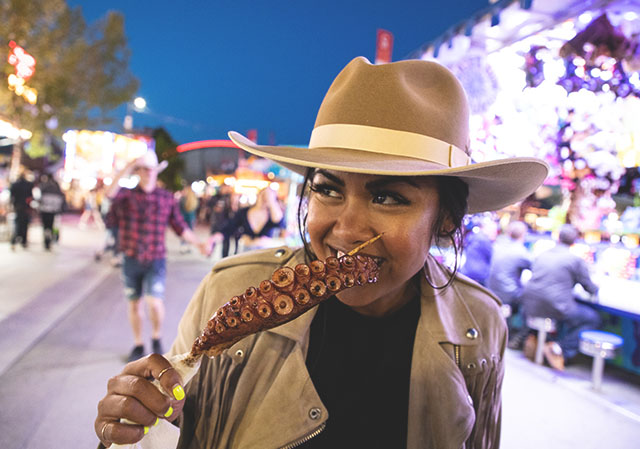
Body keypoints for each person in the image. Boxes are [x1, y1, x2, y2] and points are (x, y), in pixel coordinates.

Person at [95, 57, 548, 448]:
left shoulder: (479, 327)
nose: (345, 230)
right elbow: (177, 424)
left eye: (388, 197)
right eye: (327, 189)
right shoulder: (229, 288)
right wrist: (141, 420)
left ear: (446, 218)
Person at [105, 151, 208, 363]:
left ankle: (156, 337)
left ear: (155, 171)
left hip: (156, 259)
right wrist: (128, 167)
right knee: (134, 304)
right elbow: (109, 194)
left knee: (154, 302)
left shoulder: (166, 197)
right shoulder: (126, 195)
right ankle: (138, 343)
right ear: (138, 171)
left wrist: (198, 243)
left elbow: (180, 226)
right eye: (142, 169)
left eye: (150, 169)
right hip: (131, 257)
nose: (147, 173)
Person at [520, 224, 600, 370]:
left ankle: (538, 340)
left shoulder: (542, 254)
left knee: (559, 310)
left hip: (529, 306)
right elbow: (589, 288)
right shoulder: (575, 260)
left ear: (557, 238)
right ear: (575, 242)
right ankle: (559, 349)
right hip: (556, 307)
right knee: (592, 318)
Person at [486, 221, 532, 348]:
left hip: (491, 289)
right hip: (509, 294)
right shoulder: (521, 251)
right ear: (523, 234)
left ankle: (508, 332)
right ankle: (519, 339)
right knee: (533, 301)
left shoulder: (498, 246)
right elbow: (536, 268)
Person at [210, 186, 285, 255]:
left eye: (268, 198)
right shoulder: (244, 212)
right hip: (246, 252)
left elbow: (280, 222)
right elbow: (229, 228)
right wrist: (212, 239)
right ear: (258, 196)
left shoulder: (272, 215)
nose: (265, 199)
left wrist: (271, 200)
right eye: (263, 196)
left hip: (265, 253)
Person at [459, 217, 498, 286]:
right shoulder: (484, 240)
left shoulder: (472, 236)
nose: (495, 234)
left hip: (467, 271)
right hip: (479, 274)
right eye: (494, 231)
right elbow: (491, 256)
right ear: (487, 229)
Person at [206, 183, 237, 258]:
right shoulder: (215, 197)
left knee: (226, 241)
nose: (225, 189)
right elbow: (209, 206)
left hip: (226, 223)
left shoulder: (229, 198)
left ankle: (224, 256)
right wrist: (214, 208)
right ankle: (209, 252)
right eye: (224, 188)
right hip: (216, 222)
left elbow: (233, 210)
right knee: (213, 238)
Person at [37, 174, 65, 251]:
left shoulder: (44, 186)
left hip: (45, 210)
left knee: (46, 227)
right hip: (53, 211)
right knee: (51, 226)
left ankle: (47, 241)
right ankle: (50, 240)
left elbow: (39, 198)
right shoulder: (56, 187)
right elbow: (62, 199)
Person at [9, 170, 34, 250]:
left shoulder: (15, 184)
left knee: (17, 224)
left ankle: (14, 241)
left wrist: (12, 205)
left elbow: (12, 196)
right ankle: (23, 241)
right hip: (26, 207)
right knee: (25, 224)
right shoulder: (29, 184)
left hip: (18, 207)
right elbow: (31, 196)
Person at [179, 185, 199, 254]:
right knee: (190, 232)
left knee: (184, 232)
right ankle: (189, 247)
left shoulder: (182, 199)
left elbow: (179, 209)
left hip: (183, 218)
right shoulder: (194, 199)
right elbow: (196, 210)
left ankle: (183, 247)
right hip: (191, 218)